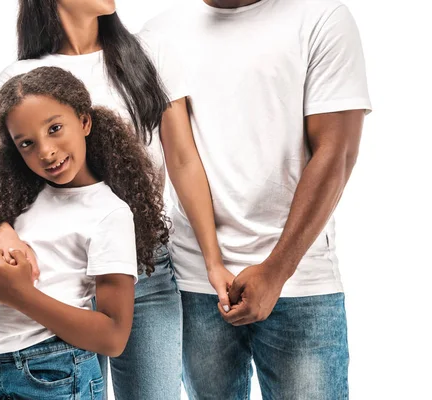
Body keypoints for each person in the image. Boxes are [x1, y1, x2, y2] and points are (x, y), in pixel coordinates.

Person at [0, 1, 226, 398]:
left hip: (145, 266)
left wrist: (214, 261)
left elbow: (183, 161)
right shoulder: (20, 78)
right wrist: (2, 234)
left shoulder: (148, 54)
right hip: (57, 272)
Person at [141, 0, 372, 398]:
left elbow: (336, 154)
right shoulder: (158, 34)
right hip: (198, 283)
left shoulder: (321, 17)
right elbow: (173, 156)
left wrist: (276, 271)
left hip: (299, 281)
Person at [0, 66, 169, 399]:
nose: (45, 151)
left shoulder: (109, 213)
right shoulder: (17, 200)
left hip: (56, 371)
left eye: (55, 128)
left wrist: (18, 294)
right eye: (27, 143)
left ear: (85, 121)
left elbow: (113, 337)